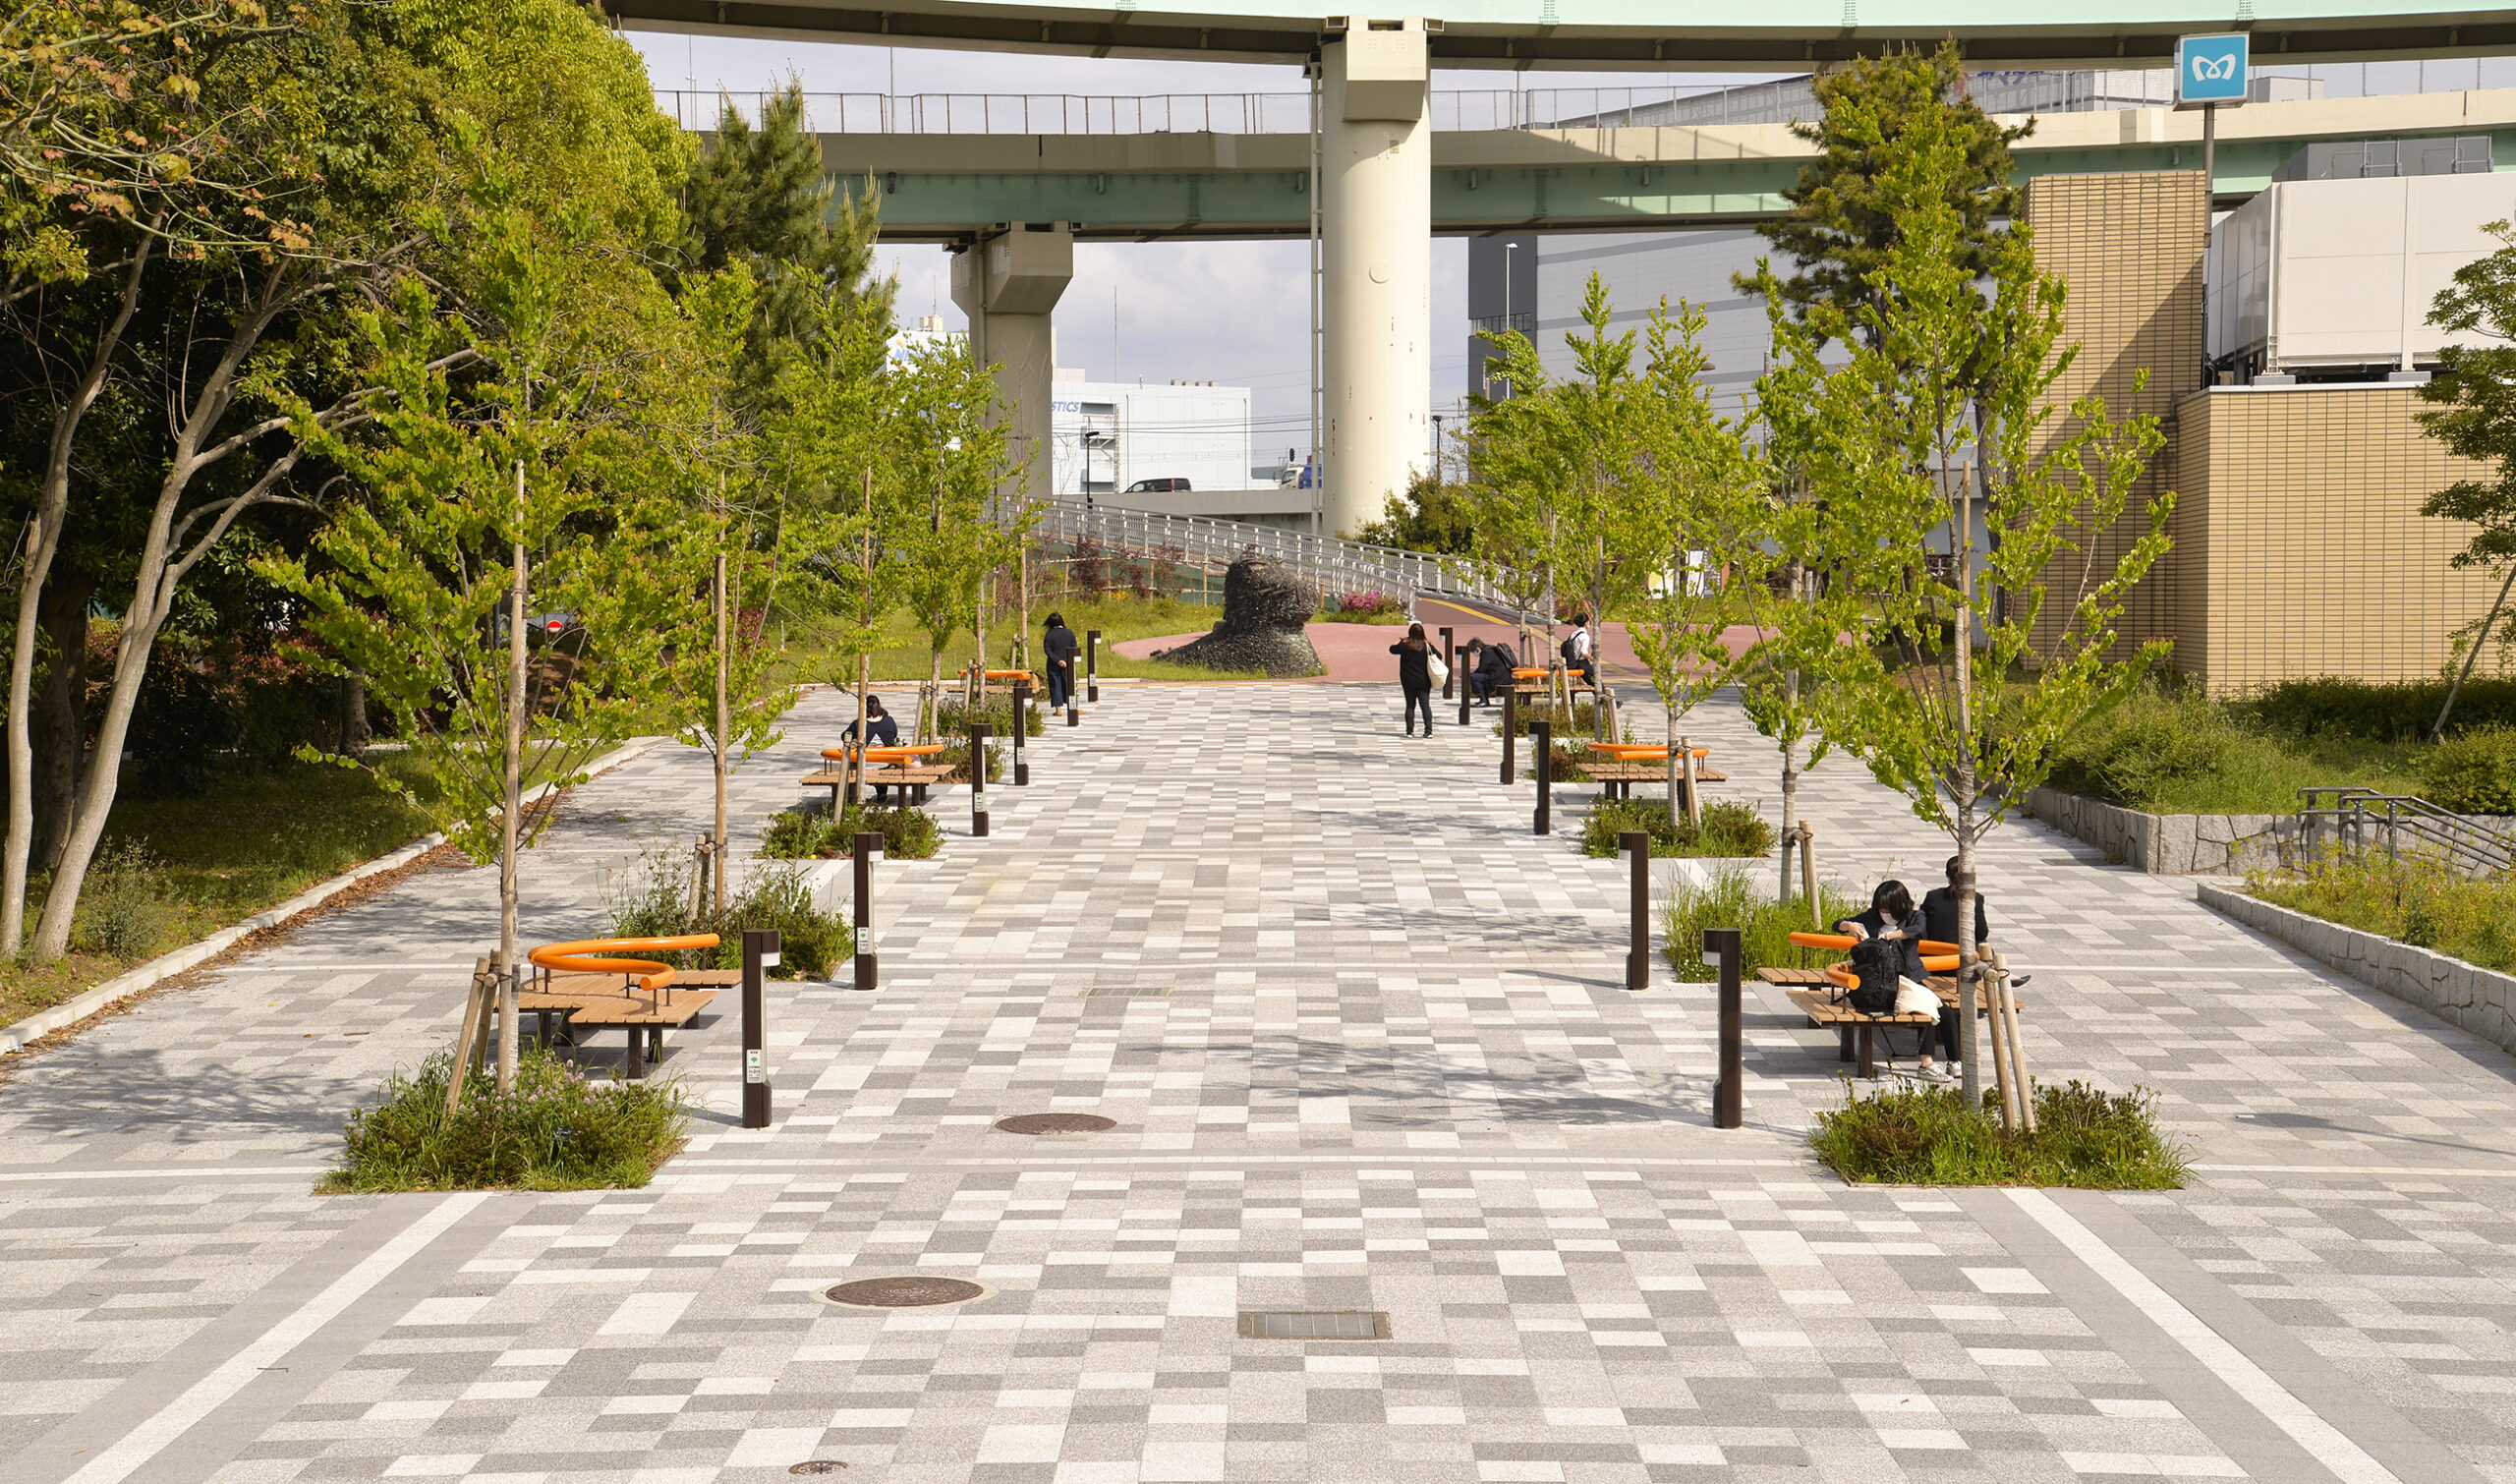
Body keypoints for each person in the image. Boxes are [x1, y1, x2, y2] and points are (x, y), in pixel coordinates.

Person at [1838, 879, 1961, 1084]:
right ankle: (1926, 1064)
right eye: (1881, 907)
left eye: (1887, 908)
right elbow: (1838, 924)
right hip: (1881, 983)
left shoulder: (1914, 917)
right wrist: (1849, 925)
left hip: (1910, 979)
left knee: (1946, 1012)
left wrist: (1889, 936)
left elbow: (1917, 930)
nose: (1883, 912)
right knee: (1927, 1006)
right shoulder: (1871, 918)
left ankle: (1954, 1060)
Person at [1921, 856, 2031, 990]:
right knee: (1982, 942)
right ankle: (2002, 973)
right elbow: (1981, 932)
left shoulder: (1932, 897)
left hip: (1933, 962)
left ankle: (2002, 973)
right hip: (1966, 964)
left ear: (1947, 875)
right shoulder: (1975, 898)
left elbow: (1921, 928)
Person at [839, 696, 900, 802]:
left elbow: (844, 736)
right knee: (882, 760)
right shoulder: (889, 721)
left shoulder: (858, 724)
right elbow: (894, 735)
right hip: (886, 762)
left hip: (863, 763)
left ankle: (852, 795)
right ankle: (882, 793)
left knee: (852, 759)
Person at [1389, 621, 1437, 736]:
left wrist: (1400, 640)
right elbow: (1438, 656)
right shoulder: (1427, 646)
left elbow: (1392, 649)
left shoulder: (1405, 646)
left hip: (1408, 681)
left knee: (1410, 706)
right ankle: (1428, 731)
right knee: (1425, 705)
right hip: (1424, 681)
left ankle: (1409, 731)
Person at [1042, 612, 1079, 710]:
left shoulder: (1049, 635)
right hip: (1068, 663)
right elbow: (1074, 648)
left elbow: (1048, 651)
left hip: (1053, 664)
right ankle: (1073, 707)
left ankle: (1058, 709)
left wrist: (1058, 661)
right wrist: (1066, 660)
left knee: (1055, 684)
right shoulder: (1069, 633)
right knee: (1069, 684)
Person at [1470, 636, 1515, 707]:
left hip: (1498, 677)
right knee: (1479, 677)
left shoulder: (1486, 653)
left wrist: (1471, 674)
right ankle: (1484, 700)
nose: (1473, 654)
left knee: (1474, 677)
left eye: (1473, 652)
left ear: (1477, 649)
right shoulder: (1490, 649)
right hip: (1502, 675)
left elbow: (1482, 668)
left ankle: (1484, 700)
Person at [1561, 614, 1597, 687]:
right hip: (1581, 663)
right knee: (1597, 681)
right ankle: (1602, 693)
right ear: (1586, 623)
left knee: (1590, 681)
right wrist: (1591, 657)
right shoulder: (1585, 636)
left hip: (1571, 661)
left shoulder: (1573, 634)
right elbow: (1584, 652)